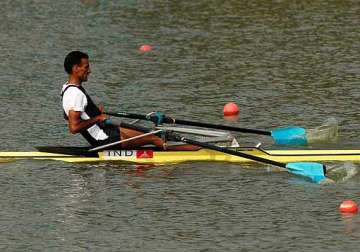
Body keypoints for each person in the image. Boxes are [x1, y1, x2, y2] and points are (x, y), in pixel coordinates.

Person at [61, 51, 198, 150]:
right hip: (104, 139)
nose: (89, 70)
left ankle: (189, 147)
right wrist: (97, 118)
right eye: (86, 67)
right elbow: (74, 127)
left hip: (107, 132)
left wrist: (96, 113)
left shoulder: (68, 89)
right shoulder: (75, 94)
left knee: (153, 131)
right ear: (75, 68)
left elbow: (79, 115)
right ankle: (199, 151)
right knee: (155, 136)